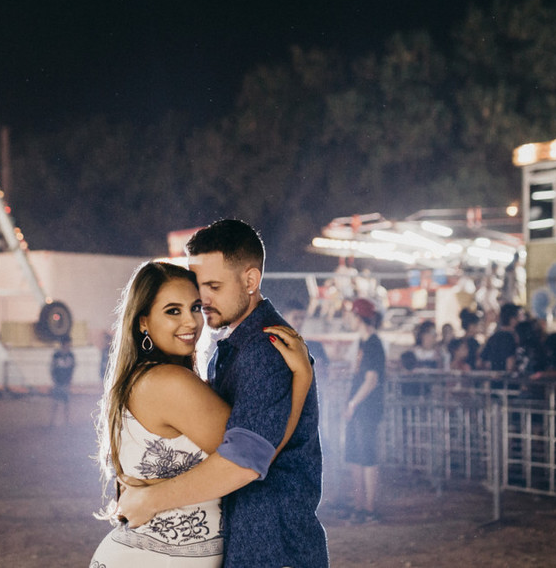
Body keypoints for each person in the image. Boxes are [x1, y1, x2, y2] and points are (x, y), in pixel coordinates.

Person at [116, 219, 329, 567]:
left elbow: (245, 461)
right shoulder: (229, 349)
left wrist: (153, 500)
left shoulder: (265, 348)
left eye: (213, 286)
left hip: (274, 547)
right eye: (200, 287)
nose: (203, 299)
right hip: (252, 543)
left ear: (250, 281)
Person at [344, 297, 385, 523]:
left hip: (366, 408)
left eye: (350, 315)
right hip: (360, 408)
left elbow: (371, 380)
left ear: (359, 317)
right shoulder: (364, 342)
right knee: (356, 456)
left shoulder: (372, 343)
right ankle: (361, 506)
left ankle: (368, 508)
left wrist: (352, 403)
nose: (346, 319)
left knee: (366, 456)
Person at [479, 303, 521, 371]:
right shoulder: (509, 337)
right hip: (507, 380)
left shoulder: (493, 337)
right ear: (512, 319)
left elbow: (480, 361)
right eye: (517, 317)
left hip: (494, 379)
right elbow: (510, 365)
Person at [49, 335, 75, 426]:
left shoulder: (70, 355)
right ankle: (52, 421)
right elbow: (53, 367)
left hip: (66, 382)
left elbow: (72, 368)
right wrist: (54, 378)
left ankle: (66, 421)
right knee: (56, 402)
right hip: (58, 381)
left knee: (66, 402)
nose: (68, 345)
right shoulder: (57, 355)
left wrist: (69, 380)